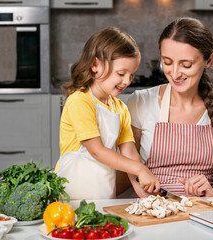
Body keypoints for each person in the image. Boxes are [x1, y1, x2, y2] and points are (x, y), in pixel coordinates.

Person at [127, 17, 213, 197]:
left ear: (208, 60)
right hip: (153, 210)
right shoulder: (141, 102)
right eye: (167, 62)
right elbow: (128, 167)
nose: (174, 73)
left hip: (205, 210)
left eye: (186, 65)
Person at [55, 26, 160, 200]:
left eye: (131, 75)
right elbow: (97, 151)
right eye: (121, 73)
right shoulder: (80, 101)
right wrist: (141, 169)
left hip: (104, 197)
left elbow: (130, 153)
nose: (127, 81)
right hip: (70, 199)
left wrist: (139, 186)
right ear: (95, 65)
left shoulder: (120, 108)